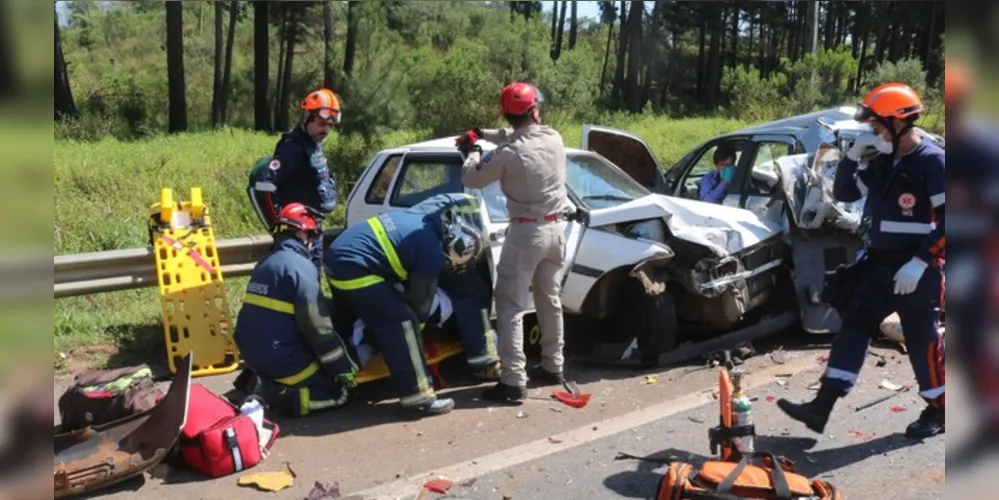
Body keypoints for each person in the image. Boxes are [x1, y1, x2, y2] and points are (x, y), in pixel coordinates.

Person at [777, 82, 946, 439]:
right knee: (852, 325)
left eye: (875, 125)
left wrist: (921, 261)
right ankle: (821, 406)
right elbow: (844, 193)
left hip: (918, 271)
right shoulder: (881, 159)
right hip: (879, 266)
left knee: (922, 341)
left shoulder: (933, 161)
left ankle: (939, 408)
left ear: (898, 122)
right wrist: (852, 158)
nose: (871, 131)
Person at [456, 82, 573, 404]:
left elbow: (471, 178)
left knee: (510, 308)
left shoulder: (508, 155)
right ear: (534, 110)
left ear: (507, 113)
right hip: (555, 232)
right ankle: (554, 365)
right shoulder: (554, 138)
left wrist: (474, 150)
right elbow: (516, 134)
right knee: (550, 300)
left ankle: (513, 380)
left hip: (525, 235)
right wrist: (483, 133)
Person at [324, 202, 487, 416]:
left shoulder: (427, 220)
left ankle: (342, 367)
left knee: (359, 319)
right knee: (403, 324)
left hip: (340, 256)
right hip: (354, 268)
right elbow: (419, 303)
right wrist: (417, 330)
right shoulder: (432, 252)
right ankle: (418, 397)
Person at [232, 203, 359, 417]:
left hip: (251, 352)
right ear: (301, 232)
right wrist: (341, 368)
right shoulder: (300, 267)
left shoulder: (265, 263)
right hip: (281, 357)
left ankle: (263, 382)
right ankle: (278, 397)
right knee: (339, 393)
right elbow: (318, 328)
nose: (312, 241)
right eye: (311, 235)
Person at [247, 88, 340, 272]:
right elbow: (263, 185)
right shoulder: (292, 148)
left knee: (311, 284)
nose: (326, 130)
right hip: (297, 235)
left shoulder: (312, 145)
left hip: (313, 231)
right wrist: (279, 227)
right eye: (321, 123)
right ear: (307, 116)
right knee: (298, 287)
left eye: (330, 125)